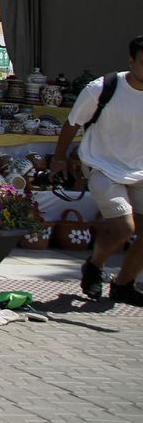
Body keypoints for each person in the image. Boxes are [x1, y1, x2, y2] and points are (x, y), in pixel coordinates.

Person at [53, 35, 143, 305]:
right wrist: (59, 159)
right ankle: (94, 265)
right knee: (124, 228)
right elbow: (71, 123)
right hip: (102, 165)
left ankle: (124, 285)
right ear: (131, 61)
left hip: (139, 169)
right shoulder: (102, 88)